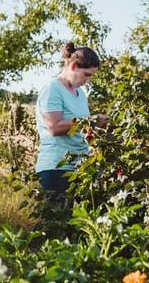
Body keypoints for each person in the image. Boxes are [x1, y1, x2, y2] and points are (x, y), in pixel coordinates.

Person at [36, 42, 108, 204]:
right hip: (56, 169)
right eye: (86, 75)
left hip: (80, 167)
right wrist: (90, 120)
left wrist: (97, 128)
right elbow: (54, 127)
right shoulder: (52, 89)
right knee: (58, 225)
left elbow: (81, 129)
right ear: (74, 66)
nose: (88, 81)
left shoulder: (80, 94)